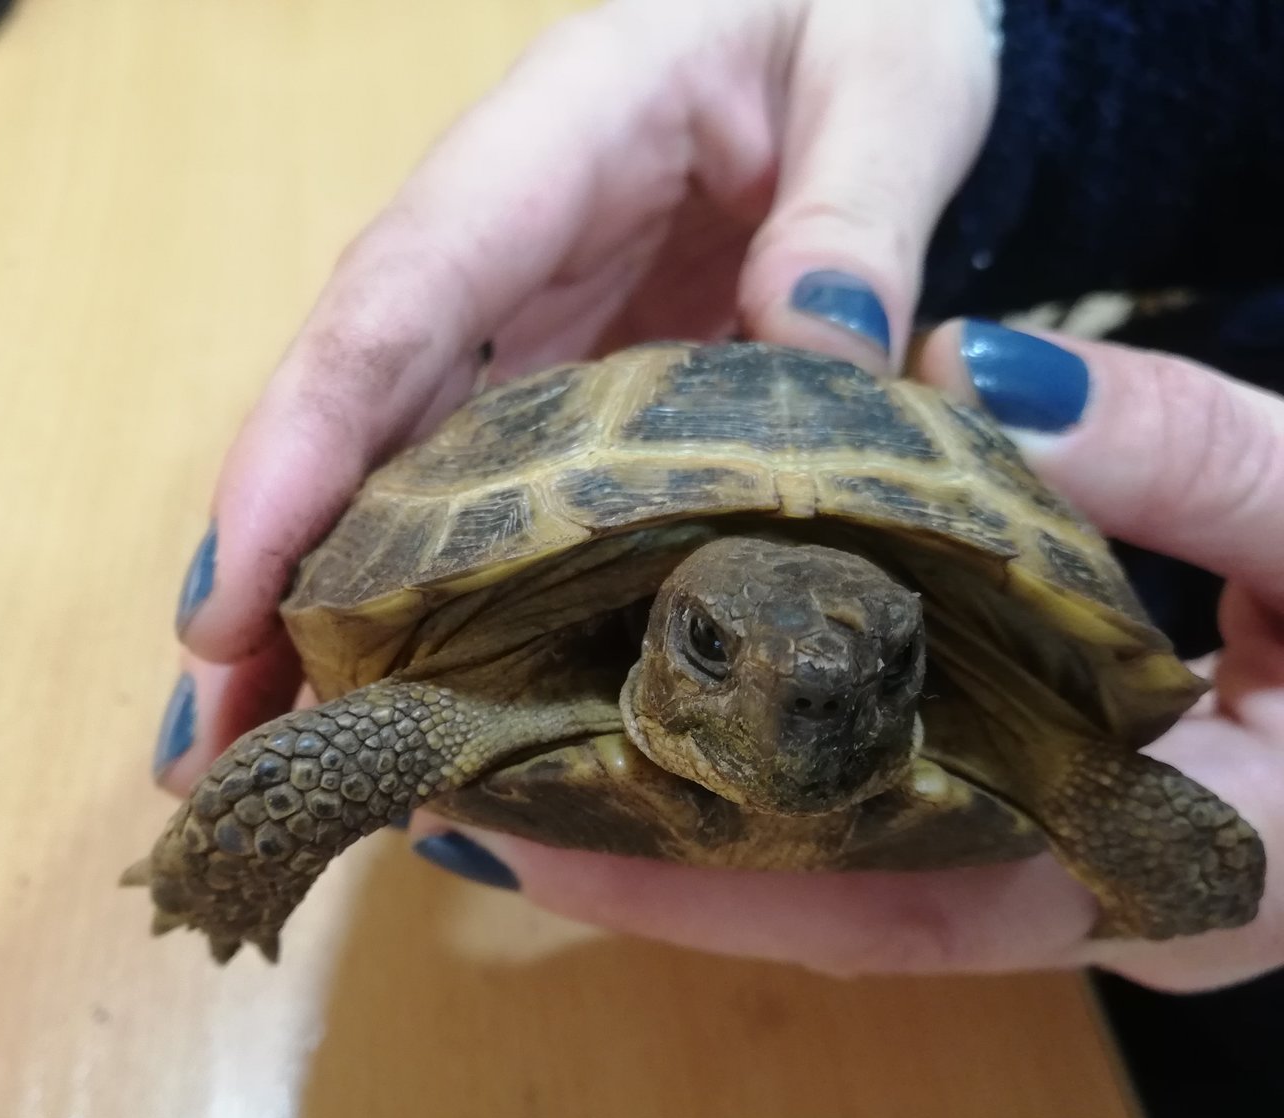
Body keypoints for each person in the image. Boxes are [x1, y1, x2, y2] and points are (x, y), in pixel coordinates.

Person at [155, 0, 1283, 996]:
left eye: (885, 666)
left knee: (1204, 872)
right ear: (658, 626)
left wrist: (1190, 906)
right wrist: (955, 39)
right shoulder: (459, 693)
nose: (801, 697)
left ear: (917, 660)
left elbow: (1187, 854)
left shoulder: (1034, 739)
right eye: (709, 646)